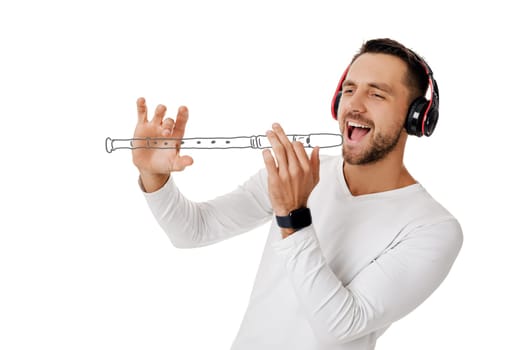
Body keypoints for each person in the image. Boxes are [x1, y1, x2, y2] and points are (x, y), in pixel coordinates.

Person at [132, 38, 463, 349]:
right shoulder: (298, 174)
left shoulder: (432, 228)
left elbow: (340, 325)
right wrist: (154, 175)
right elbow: (192, 232)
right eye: (349, 90)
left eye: (377, 95)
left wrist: (293, 215)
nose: (355, 105)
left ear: (415, 117)